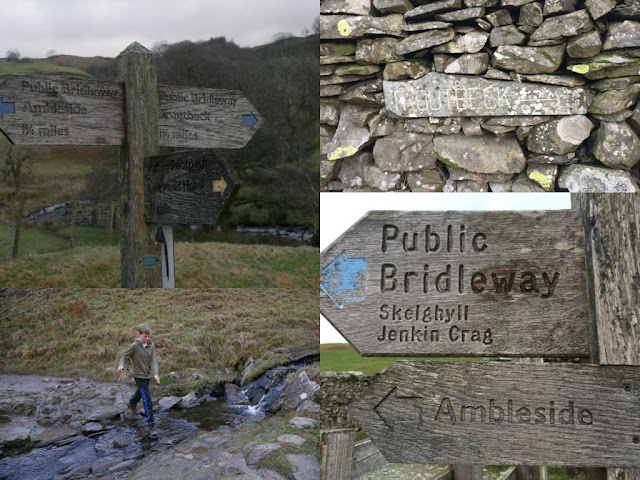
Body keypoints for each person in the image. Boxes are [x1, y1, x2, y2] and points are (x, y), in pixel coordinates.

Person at [117, 322, 160, 434]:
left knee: (141, 392)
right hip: (138, 376)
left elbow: (153, 360)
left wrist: (155, 374)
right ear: (139, 335)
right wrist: (121, 365)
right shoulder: (134, 346)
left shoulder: (151, 345)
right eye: (144, 336)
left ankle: (132, 402)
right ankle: (151, 423)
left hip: (147, 375)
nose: (147, 338)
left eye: (148, 336)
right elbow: (124, 356)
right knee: (147, 399)